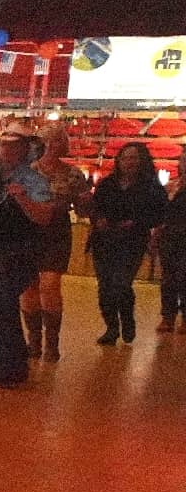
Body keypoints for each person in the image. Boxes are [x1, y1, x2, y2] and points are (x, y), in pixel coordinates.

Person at [0, 128, 54, 387]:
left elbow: (44, 217)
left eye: (13, 146)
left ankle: (5, 367)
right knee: (1, 306)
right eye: (3, 145)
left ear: (24, 149)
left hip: (22, 249)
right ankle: (11, 366)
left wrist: (22, 198)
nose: (7, 150)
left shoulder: (34, 182)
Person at [20, 123, 89, 359]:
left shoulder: (74, 174)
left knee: (50, 285)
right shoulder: (28, 171)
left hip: (57, 233)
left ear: (63, 144)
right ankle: (34, 342)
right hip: (29, 232)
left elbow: (83, 210)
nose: (51, 145)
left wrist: (86, 201)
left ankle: (52, 343)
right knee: (29, 287)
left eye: (57, 141)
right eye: (47, 141)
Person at [88, 142, 168, 345]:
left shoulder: (151, 187)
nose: (129, 162)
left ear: (142, 161)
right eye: (125, 158)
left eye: (134, 158)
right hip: (104, 241)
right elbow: (95, 208)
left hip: (132, 242)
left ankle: (127, 319)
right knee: (105, 286)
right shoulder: (107, 184)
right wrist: (99, 220)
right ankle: (112, 327)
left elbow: (159, 214)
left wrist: (136, 223)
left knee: (122, 283)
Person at [158, 172, 186, 333]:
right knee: (168, 278)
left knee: (183, 277)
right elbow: (162, 213)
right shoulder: (172, 186)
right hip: (169, 237)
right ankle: (167, 316)